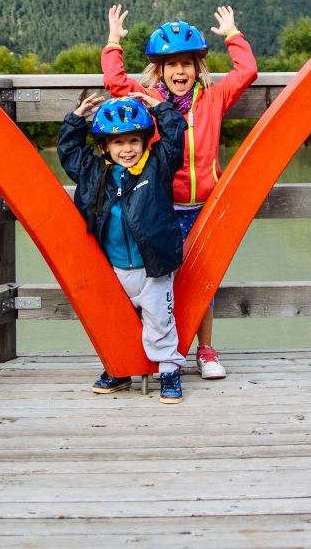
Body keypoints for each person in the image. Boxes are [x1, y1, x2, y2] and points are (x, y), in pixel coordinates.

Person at [102, 4, 258, 379]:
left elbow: (247, 72)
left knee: (203, 281)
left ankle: (204, 350)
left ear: (197, 68)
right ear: (160, 70)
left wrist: (233, 35)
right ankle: (149, 352)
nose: (180, 71)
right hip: (163, 209)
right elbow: (115, 81)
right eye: (171, 65)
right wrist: (113, 41)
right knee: (154, 280)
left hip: (205, 206)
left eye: (186, 64)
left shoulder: (214, 98)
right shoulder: (148, 101)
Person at [57, 92, 187, 403]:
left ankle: (169, 370)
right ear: (103, 146)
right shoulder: (93, 172)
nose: (126, 149)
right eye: (117, 142)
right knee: (114, 320)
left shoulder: (158, 167)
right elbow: (68, 151)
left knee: (160, 319)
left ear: (144, 141)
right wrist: (77, 118)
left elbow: (174, 137)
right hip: (112, 266)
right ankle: (119, 367)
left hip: (152, 267)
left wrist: (160, 108)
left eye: (133, 141)